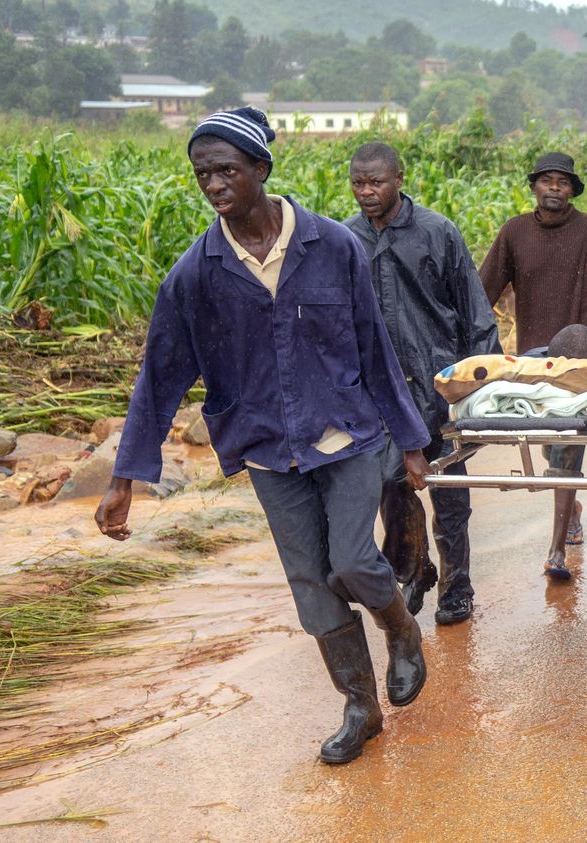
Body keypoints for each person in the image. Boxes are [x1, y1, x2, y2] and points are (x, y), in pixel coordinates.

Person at [94, 108, 432, 765]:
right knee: (310, 581)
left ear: (261, 170)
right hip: (271, 449)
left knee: (354, 560)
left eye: (226, 170)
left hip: (348, 434)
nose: (214, 183)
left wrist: (411, 439)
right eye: (202, 174)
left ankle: (402, 628)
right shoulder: (195, 276)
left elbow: (374, 349)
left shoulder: (334, 247)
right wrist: (121, 481)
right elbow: (158, 380)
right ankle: (360, 706)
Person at [345, 141, 502, 626]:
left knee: (450, 495)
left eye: (376, 182)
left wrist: (480, 386)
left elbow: (476, 313)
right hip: (380, 395)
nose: (367, 192)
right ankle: (413, 567)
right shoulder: (346, 240)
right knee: (391, 484)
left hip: (439, 387)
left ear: (399, 179)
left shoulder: (438, 233)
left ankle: (458, 587)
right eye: (358, 183)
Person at [480, 152, 587, 580]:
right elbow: (484, 292)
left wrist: (585, 358)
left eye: (563, 181)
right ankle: (572, 505)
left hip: (575, 352)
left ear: (573, 189)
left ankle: (556, 547)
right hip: (531, 357)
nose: (555, 187)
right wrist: (488, 350)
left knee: (567, 443)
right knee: (545, 442)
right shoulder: (515, 231)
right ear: (534, 186)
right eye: (547, 180)